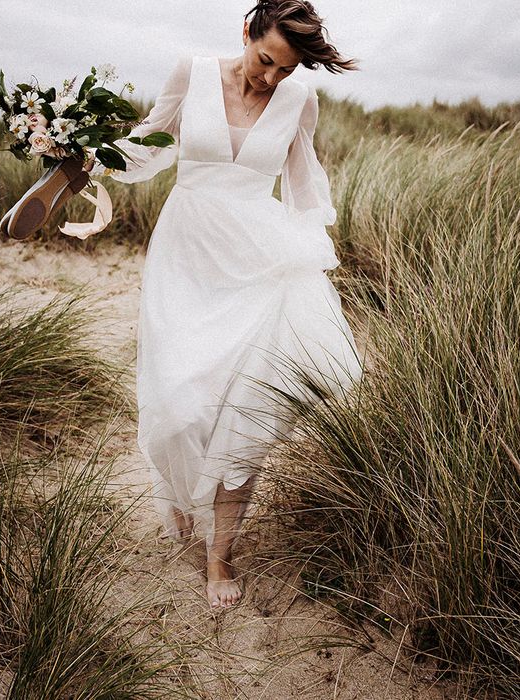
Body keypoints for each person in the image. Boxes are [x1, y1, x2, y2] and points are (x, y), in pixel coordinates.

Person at [86, 0, 363, 610]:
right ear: (247, 31)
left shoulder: (300, 103)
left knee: (246, 412)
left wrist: (309, 258)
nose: (270, 79)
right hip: (186, 256)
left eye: (284, 71)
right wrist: (82, 153)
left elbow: (303, 183)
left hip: (258, 264)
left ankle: (220, 558)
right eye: (266, 60)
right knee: (177, 406)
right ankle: (184, 496)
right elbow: (145, 150)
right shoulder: (191, 72)